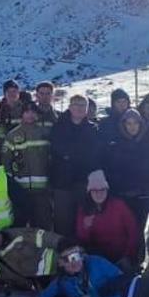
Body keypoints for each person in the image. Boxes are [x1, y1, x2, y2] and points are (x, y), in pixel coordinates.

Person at [47, 94, 105, 237]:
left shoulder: (93, 129)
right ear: (70, 107)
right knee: (63, 223)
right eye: (76, 105)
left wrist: (75, 155)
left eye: (82, 105)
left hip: (85, 183)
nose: (79, 108)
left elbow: (95, 154)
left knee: (85, 221)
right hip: (62, 184)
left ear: (87, 109)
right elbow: (59, 150)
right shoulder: (59, 127)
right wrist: (78, 154)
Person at [34, 244, 129, 297]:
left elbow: (123, 280)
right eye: (68, 259)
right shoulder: (61, 282)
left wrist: (94, 296)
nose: (74, 262)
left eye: (76, 256)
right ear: (60, 262)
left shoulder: (96, 262)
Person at [102, 109, 149, 234]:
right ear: (123, 125)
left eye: (135, 123)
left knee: (139, 232)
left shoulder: (148, 144)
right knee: (122, 231)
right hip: (122, 196)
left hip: (142, 197)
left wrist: (148, 190)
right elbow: (111, 170)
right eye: (129, 123)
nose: (132, 127)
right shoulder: (116, 145)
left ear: (140, 124)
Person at [0, 223, 62, 293]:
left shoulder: (18, 235)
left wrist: (63, 243)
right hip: (43, 287)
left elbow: (44, 236)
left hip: (63, 266)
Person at [3, 102, 54, 229]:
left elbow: (53, 158)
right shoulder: (12, 135)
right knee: (22, 223)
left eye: (33, 112)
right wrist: (11, 184)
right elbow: (6, 161)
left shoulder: (46, 133)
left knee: (44, 222)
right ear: (22, 114)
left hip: (43, 190)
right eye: (27, 112)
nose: (30, 115)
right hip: (20, 189)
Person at [75, 170, 141, 269]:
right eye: (95, 190)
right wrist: (85, 228)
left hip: (122, 257)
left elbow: (133, 232)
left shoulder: (119, 206)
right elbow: (82, 241)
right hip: (98, 259)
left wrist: (127, 256)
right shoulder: (84, 210)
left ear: (107, 190)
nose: (99, 194)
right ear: (89, 192)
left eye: (102, 190)